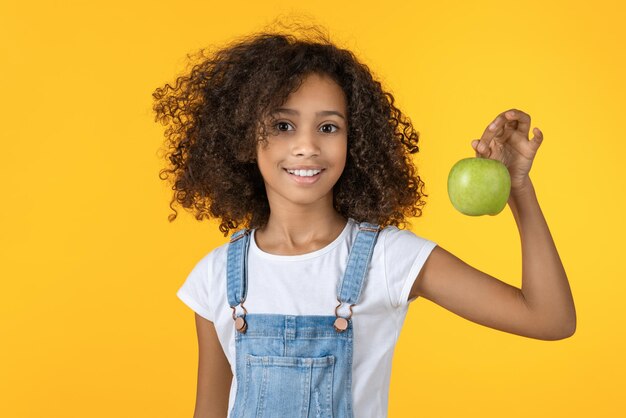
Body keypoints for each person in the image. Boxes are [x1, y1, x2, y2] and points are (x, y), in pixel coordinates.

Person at [152, 23, 576, 418]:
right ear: (244, 136)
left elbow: (549, 319)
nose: (306, 146)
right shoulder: (214, 277)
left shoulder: (388, 258)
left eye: (329, 128)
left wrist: (517, 188)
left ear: (355, 140)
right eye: (283, 125)